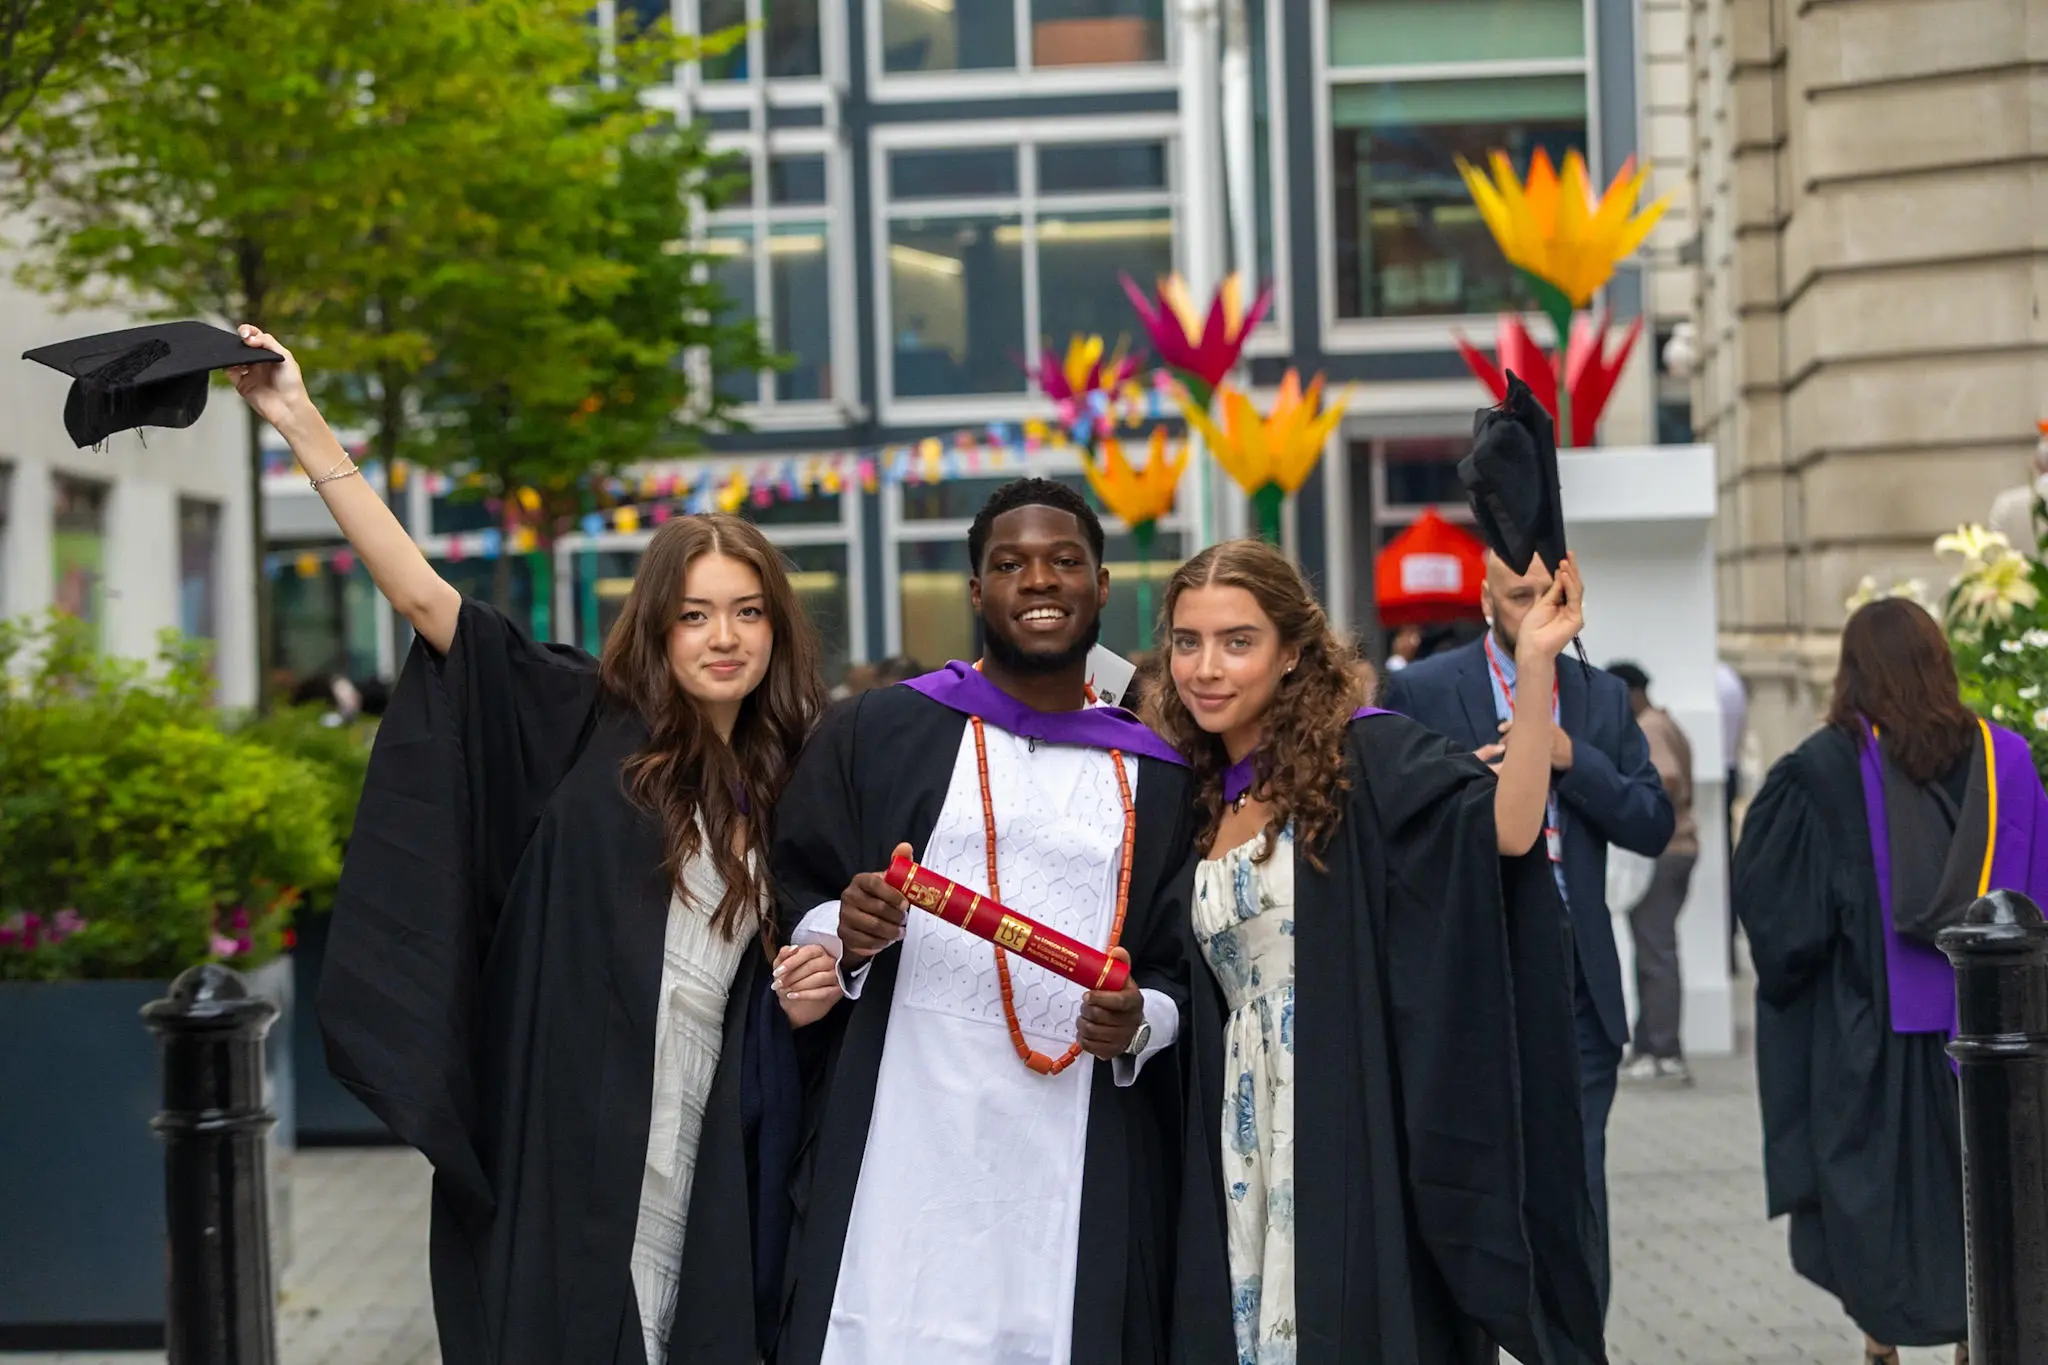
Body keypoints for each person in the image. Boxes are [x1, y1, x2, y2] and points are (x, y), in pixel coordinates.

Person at [226, 326, 840, 1365]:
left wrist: (814, 978)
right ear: (657, 628)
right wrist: (295, 416)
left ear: (776, 630)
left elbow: (818, 949)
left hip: (716, 1117)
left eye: (745, 613)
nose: (723, 637)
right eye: (694, 616)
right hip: (570, 1114)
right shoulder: (578, 719)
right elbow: (428, 602)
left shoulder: (795, 780)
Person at [770, 478, 1198, 1365]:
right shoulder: (885, 730)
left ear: (1104, 586)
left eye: (1064, 561)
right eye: (1010, 564)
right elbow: (794, 891)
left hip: (1070, 1145)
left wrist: (1140, 1021)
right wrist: (842, 933)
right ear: (976, 591)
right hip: (906, 1136)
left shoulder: (1158, 772)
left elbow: (1177, 960)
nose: (1038, 581)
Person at [1146, 539, 1604, 1365]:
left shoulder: (1363, 755)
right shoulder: (1195, 789)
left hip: (1343, 1102)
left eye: (1236, 641)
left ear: (1292, 652)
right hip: (1237, 1123)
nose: (1205, 667)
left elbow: (1506, 826)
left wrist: (1535, 665)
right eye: (1187, 641)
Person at [1734, 597, 2048, 1365]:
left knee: (1879, 1208)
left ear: (1853, 673)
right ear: (1942, 663)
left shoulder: (1823, 769)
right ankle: (1981, 1337)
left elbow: (1783, 927)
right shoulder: (2008, 761)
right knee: (1983, 1199)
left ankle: (1883, 1342)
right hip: (1991, 1043)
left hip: (1868, 1042)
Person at [1381, 551, 1674, 1315]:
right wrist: (1465, 784)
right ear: (1485, 598)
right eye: (1518, 593)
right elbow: (1390, 825)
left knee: (1573, 1193)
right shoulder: (1420, 688)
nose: (1534, 606)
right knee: (1466, 1185)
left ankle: (1575, 1340)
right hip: (1470, 973)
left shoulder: (1601, 695)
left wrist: (1573, 759)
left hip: (1576, 983)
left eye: (1550, 592)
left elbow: (1652, 821)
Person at [1605, 661, 1700, 1085]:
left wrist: (1625, 800)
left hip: (1664, 849)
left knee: (1655, 953)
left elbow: (1669, 779)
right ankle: (1648, 1045)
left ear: (1629, 693)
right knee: (1652, 949)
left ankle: (1663, 1050)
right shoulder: (1664, 721)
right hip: (1676, 849)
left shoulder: (1648, 727)